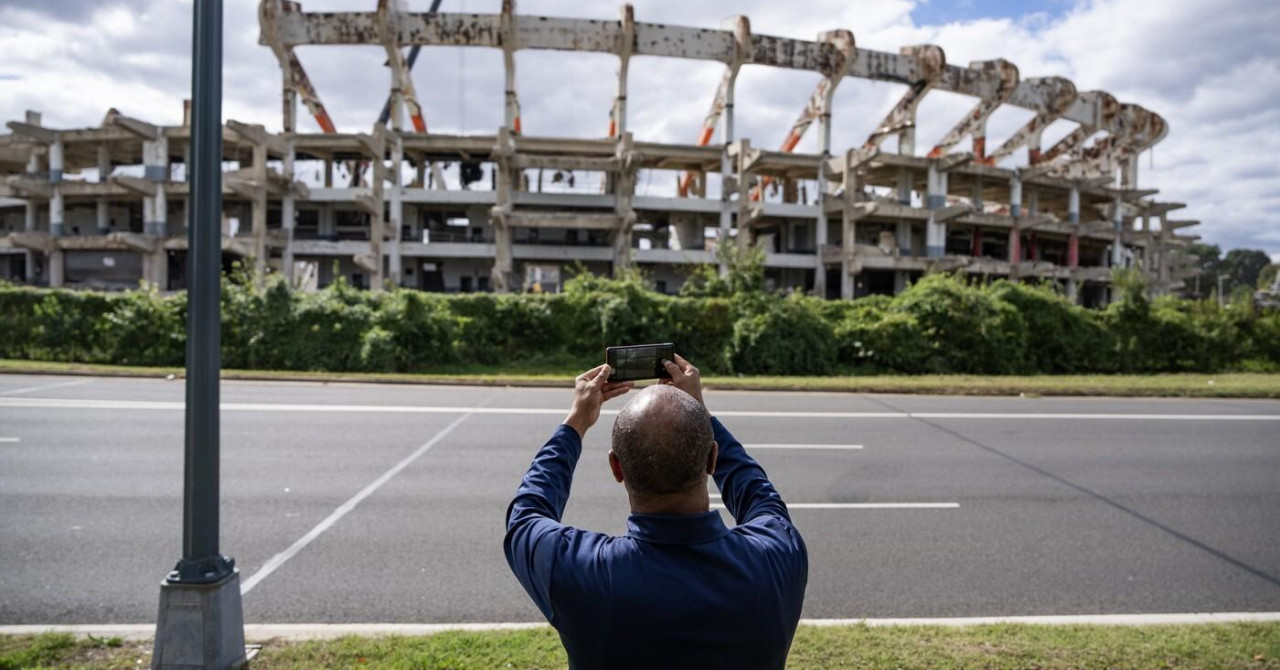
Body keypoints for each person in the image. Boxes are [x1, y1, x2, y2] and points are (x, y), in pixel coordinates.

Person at [503, 354, 808, 669]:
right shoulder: (778, 556)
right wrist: (702, 413)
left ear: (616, 468)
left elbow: (525, 516)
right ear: (711, 459)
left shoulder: (582, 572)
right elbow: (758, 494)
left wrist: (576, 421)